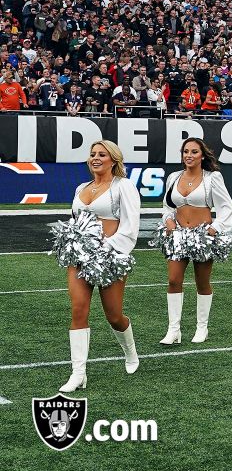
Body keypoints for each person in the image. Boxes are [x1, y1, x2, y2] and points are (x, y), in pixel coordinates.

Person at [55, 140, 141, 391]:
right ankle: (78, 374)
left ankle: (130, 353)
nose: (95, 158)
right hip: (79, 257)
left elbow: (130, 225)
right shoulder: (82, 187)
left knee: (114, 316)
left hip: (110, 256)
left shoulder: (123, 186)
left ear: (113, 160)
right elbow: (75, 220)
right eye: (92, 154)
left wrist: (107, 247)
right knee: (78, 310)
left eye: (102, 154)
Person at [156, 138, 232, 345]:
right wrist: (169, 221)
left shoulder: (212, 177)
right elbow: (167, 206)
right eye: (185, 152)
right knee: (174, 280)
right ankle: (174, 330)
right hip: (178, 235)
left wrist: (214, 228)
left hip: (203, 237)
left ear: (202, 155)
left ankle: (202, 328)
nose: (189, 155)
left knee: (202, 282)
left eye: (193, 152)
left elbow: (226, 206)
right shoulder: (174, 177)